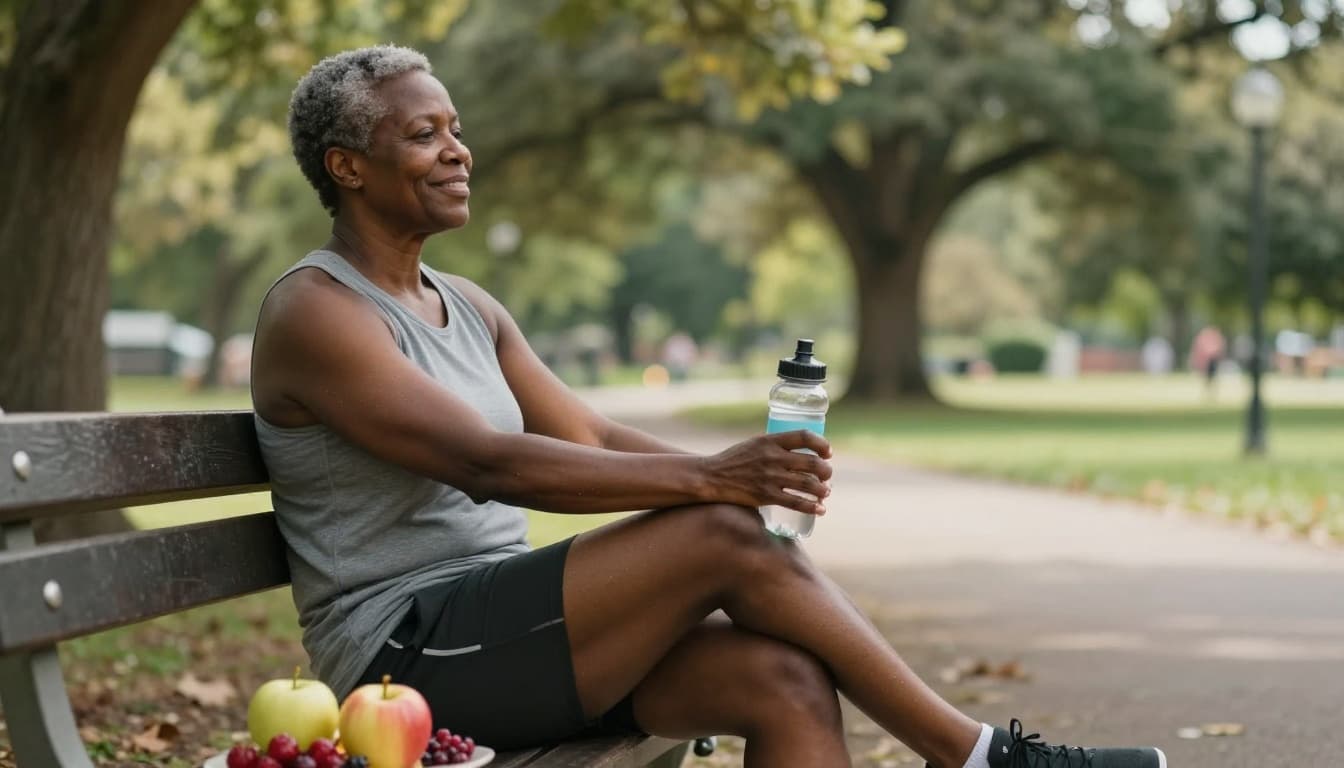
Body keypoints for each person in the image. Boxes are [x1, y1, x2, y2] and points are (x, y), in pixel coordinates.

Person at [251, 46, 1168, 768]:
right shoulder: (316, 313)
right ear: (350, 166)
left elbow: (596, 435)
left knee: (784, 679)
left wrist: (738, 478)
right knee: (726, 536)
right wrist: (716, 482)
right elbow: (486, 464)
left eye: (455, 127)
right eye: (424, 134)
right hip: (402, 660)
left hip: (508, 638)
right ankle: (972, 755)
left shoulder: (470, 305)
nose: (458, 150)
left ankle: (965, 754)